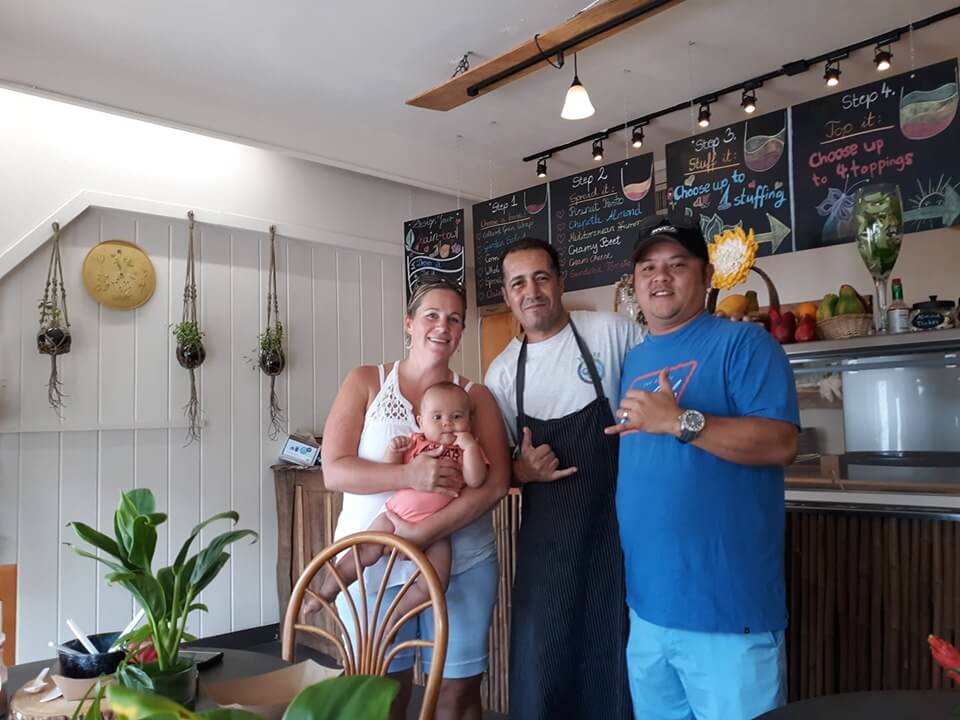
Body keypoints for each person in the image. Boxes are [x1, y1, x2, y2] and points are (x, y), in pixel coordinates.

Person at [606, 219, 800, 720]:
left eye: (677, 265)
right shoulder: (635, 360)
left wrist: (679, 421)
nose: (660, 277)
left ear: (707, 275)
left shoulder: (746, 345)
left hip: (727, 615)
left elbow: (782, 442)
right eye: (648, 268)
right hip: (648, 611)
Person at [320, 278, 510, 720]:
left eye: (454, 319)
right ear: (409, 323)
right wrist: (408, 474)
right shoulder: (367, 380)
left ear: (462, 330)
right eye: (431, 316)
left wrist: (422, 532)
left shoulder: (475, 396)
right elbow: (334, 470)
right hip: (373, 562)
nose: (443, 326)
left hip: (460, 564)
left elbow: (495, 483)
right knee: (378, 696)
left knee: (456, 696)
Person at [484, 237, 643, 719]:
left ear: (559, 282)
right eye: (518, 283)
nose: (531, 291)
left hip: (615, 537)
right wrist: (522, 470)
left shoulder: (612, 332)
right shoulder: (502, 374)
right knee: (543, 658)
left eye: (541, 277)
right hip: (546, 547)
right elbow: (494, 472)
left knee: (612, 658)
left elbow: (667, 384)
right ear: (507, 296)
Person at [316, 381, 488, 616]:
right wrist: (394, 452)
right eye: (437, 417)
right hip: (395, 515)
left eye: (456, 417)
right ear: (421, 422)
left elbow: (476, 480)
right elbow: (391, 473)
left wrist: (470, 448)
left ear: (469, 421)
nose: (447, 423)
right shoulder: (416, 442)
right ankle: (327, 591)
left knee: (436, 582)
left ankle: (396, 614)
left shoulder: (467, 450)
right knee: (363, 551)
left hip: (438, 529)